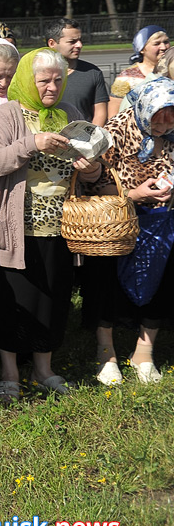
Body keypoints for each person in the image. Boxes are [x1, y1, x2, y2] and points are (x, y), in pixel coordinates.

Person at [0, 49, 102, 402]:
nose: (51, 86)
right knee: (10, 297)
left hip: (60, 227)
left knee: (52, 295)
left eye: (58, 80)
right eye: (43, 79)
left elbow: (93, 167)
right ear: (28, 80)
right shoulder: (8, 114)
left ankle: (43, 368)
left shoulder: (70, 113)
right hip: (13, 227)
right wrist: (32, 142)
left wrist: (92, 169)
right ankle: (10, 372)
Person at [81, 78, 174, 386]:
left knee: (163, 277)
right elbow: (94, 183)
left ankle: (144, 352)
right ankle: (105, 351)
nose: (163, 126)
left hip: (161, 219)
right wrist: (135, 194)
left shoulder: (172, 132)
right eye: (158, 117)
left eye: (170, 117)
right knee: (104, 278)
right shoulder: (116, 130)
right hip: (116, 220)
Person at [46, 17, 107, 126]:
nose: (79, 45)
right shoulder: (36, 73)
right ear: (52, 43)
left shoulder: (93, 73)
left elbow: (100, 113)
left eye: (80, 40)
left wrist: (92, 138)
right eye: (72, 41)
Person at [109, 26, 170, 116]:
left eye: (166, 42)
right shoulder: (127, 77)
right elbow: (113, 115)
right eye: (157, 44)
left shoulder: (171, 72)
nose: (163, 47)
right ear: (142, 49)